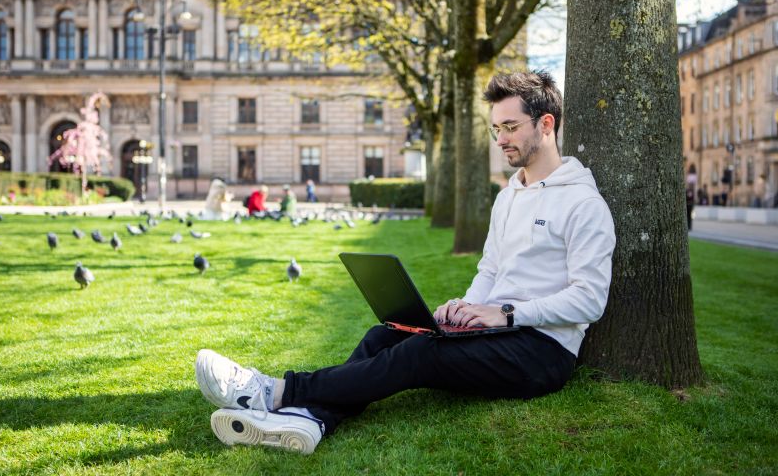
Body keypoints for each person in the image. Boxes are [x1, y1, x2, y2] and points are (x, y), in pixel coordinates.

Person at [195, 71, 616, 455]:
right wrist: (464, 308)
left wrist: (505, 313)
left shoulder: (582, 202)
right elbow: (491, 270)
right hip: (494, 331)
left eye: (511, 127)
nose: (502, 138)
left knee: (420, 353)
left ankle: (275, 391)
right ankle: (313, 420)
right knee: (385, 335)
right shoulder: (508, 196)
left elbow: (589, 300)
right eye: (496, 129)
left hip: (543, 352)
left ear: (546, 124)